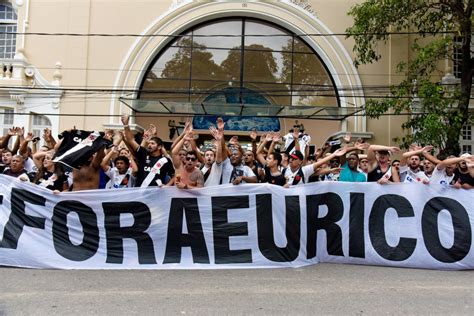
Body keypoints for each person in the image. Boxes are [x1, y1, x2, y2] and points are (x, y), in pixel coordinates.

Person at [121, 114, 174, 187]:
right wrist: (126, 125)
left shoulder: (166, 160)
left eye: (152, 143)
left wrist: (167, 185)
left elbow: (175, 175)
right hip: (140, 193)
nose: (149, 145)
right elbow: (130, 140)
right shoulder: (143, 154)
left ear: (159, 147)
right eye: (149, 143)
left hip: (156, 194)